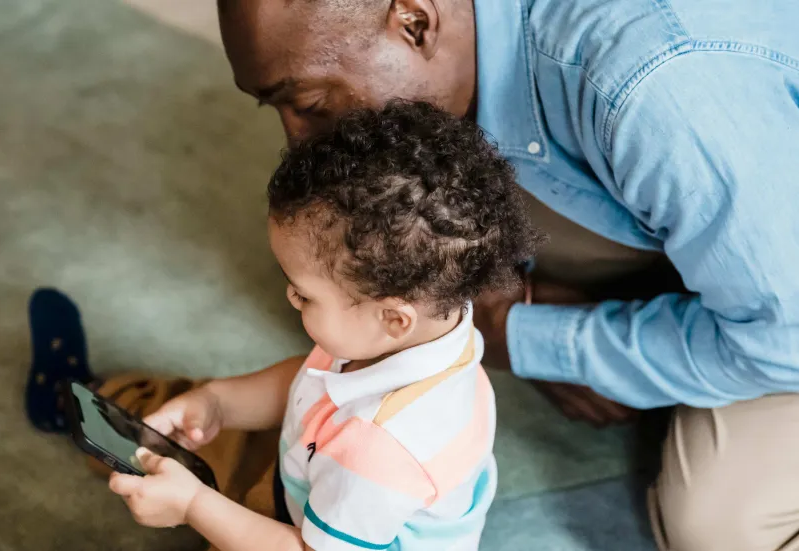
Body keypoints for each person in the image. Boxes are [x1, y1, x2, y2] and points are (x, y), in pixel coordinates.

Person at [204, 1, 799, 549]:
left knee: (719, 527)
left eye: (308, 104)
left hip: (786, 317)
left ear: (415, 21)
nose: (297, 140)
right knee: (332, 261)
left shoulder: (660, 94)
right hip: (738, 200)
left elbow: (783, 340)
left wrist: (522, 334)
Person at [105, 101, 541, 550]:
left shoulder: (381, 448)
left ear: (393, 318)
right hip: (309, 477)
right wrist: (218, 402)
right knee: (143, 428)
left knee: (172, 480)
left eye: (303, 294)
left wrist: (194, 507)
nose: (289, 298)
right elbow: (312, 382)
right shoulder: (426, 326)